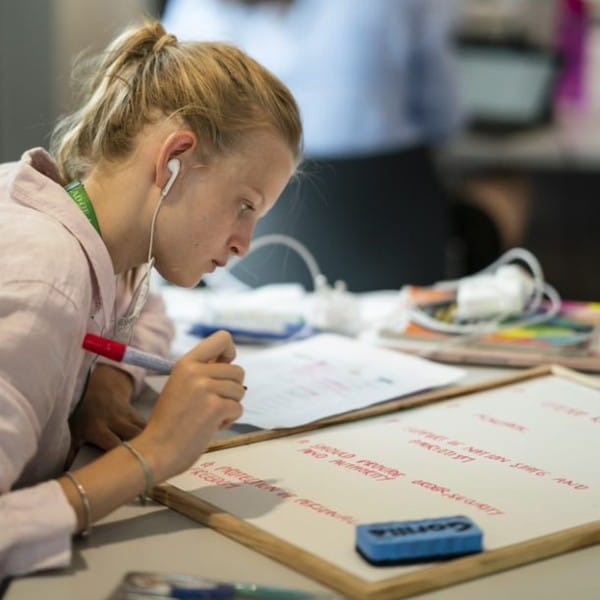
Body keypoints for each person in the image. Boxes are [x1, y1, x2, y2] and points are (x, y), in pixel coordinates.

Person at [0, 20, 302, 578]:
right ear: (174, 161)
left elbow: (145, 315)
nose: (244, 244)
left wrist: (105, 381)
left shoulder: (109, 242)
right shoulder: (42, 285)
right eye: (244, 205)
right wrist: (153, 453)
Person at [161, 0, 464, 291]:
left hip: (252, 261)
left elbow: (168, 114)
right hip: (391, 231)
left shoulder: (193, 12)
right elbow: (444, 116)